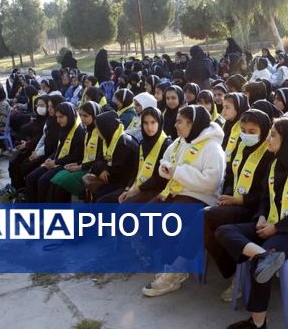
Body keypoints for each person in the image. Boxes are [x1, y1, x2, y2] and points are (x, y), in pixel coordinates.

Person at [217, 117, 288, 329]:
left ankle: (258, 324)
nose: (268, 139)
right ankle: (264, 255)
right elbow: (266, 199)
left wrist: (276, 227)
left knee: (260, 265)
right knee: (224, 231)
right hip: (270, 224)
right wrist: (263, 218)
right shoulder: (275, 163)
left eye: (273, 135)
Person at [142, 105, 226, 297]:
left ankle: (174, 272)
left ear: (193, 123)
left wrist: (177, 172)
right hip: (175, 191)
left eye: (180, 121)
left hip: (200, 197)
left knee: (168, 221)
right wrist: (166, 168)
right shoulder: (181, 141)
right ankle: (166, 261)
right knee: (145, 215)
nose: (175, 124)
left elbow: (212, 182)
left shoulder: (212, 147)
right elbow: (165, 159)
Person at [204, 109, 275, 300]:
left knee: (206, 217)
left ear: (264, 130)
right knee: (204, 220)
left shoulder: (269, 154)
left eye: (252, 131)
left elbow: (266, 194)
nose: (246, 135)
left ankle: (238, 272)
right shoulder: (241, 146)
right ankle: (235, 269)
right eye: (243, 130)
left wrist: (240, 200)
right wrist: (227, 194)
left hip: (253, 209)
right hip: (233, 201)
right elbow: (231, 174)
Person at [24, 102, 86, 203]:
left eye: (61, 117)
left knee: (43, 181)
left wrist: (56, 162)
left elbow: (76, 156)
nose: (58, 120)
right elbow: (59, 148)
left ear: (69, 116)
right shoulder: (64, 128)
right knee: (31, 177)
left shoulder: (79, 132)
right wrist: (51, 158)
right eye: (57, 117)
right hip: (57, 161)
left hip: (68, 164)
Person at [47, 102, 103, 203]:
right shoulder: (88, 131)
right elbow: (85, 156)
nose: (82, 118)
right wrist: (77, 164)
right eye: (80, 115)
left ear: (94, 116)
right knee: (55, 180)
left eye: (85, 116)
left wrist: (80, 166)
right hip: (84, 165)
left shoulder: (100, 133)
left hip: (93, 169)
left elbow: (99, 159)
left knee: (61, 180)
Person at [114, 107, 173, 203]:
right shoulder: (142, 143)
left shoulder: (167, 144)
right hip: (138, 186)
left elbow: (160, 178)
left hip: (156, 190)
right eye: (145, 123)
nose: (149, 127)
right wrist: (127, 189)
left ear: (160, 122)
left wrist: (136, 190)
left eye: (153, 122)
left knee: (125, 206)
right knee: (108, 199)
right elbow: (135, 171)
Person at [87, 111, 139, 202]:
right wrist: (101, 169)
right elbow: (96, 161)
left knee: (101, 199)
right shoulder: (108, 139)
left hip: (126, 183)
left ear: (106, 128)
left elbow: (117, 172)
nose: (97, 132)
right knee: (95, 193)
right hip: (116, 181)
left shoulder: (123, 143)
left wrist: (102, 168)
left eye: (98, 128)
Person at [221, 92, 250, 162]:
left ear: (238, 108)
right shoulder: (225, 124)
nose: (223, 111)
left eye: (227, 107)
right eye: (223, 107)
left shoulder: (246, 129)